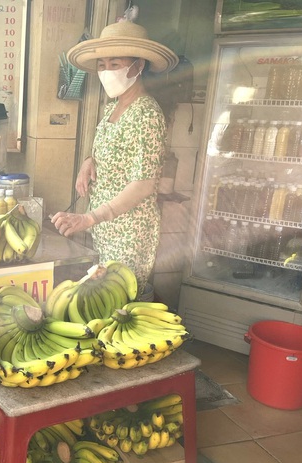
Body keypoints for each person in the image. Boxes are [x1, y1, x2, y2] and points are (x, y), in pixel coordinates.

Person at [51, 15, 178, 291]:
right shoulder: (112, 108)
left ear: (138, 65)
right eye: (102, 65)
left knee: (122, 304)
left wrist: (90, 218)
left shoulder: (146, 114)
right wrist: (88, 161)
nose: (107, 71)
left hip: (129, 234)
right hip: (105, 232)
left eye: (115, 64)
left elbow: (143, 184)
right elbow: (110, 149)